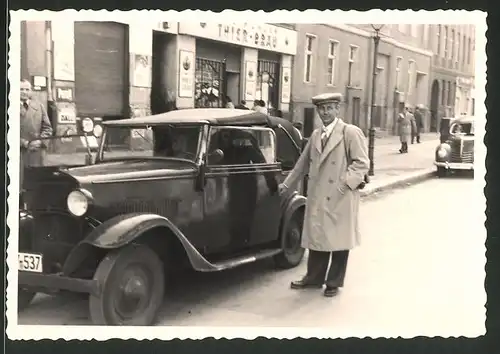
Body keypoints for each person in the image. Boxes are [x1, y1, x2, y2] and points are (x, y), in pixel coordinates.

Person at [278, 92, 369, 297]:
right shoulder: (317, 135)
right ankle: (314, 278)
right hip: (319, 194)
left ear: (338, 109)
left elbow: (362, 162)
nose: (325, 112)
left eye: (329, 108)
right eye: (322, 109)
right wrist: (286, 185)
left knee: (338, 241)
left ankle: (333, 282)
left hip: (340, 196)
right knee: (318, 238)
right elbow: (302, 164)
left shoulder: (350, 133)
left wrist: (344, 184)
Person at [20, 79, 53, 187]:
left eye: (27, 89)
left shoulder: (39, 107)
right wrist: (25, 143)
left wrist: (40, 141)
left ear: (31, 91)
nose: (24, 92)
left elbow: (47, 128)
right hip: (18, 153)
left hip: (36, 154)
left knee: (36, 186)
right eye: (21, 89)